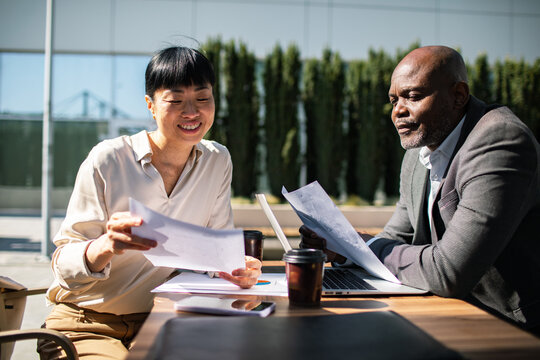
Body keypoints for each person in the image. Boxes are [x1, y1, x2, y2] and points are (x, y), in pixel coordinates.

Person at [38, 46, 262, 359]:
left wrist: (233, 269)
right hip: (85, 323)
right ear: (151, 106)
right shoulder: (109, 159)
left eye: (202, 98)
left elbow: (216, 253)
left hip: (164, 319)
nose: (192, 112)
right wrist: (106, 245)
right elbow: (62, 265)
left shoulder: (217, 160)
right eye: (175, 100)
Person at [301, 45, 540, 334]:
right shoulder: (418, 153)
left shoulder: (500, 141)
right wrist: (343, 250)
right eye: (393, 100)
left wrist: (363, 246)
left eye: (413, 96)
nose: (399, 110)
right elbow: (397, 237)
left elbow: (448, 271)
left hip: (511, 328)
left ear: (458, 95)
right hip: (446, 314)